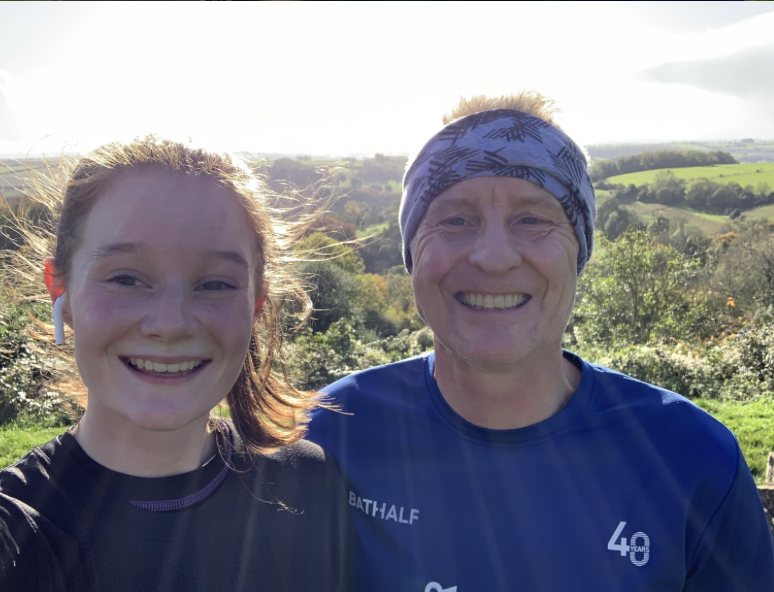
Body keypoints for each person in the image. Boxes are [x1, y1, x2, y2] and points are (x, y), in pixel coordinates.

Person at [307, 94, 774, 591]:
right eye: (455, 219)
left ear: (579, 250)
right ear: (410, 251)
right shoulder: (326, 437)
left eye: (531, 219)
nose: (493, 257)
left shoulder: (694, 460)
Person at [0, 137, 351, 591]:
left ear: (256, 303)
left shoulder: (311, 483)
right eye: (126, 278)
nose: (171, 323)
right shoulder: (18, 535)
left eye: (216, 284)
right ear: (61, 292)